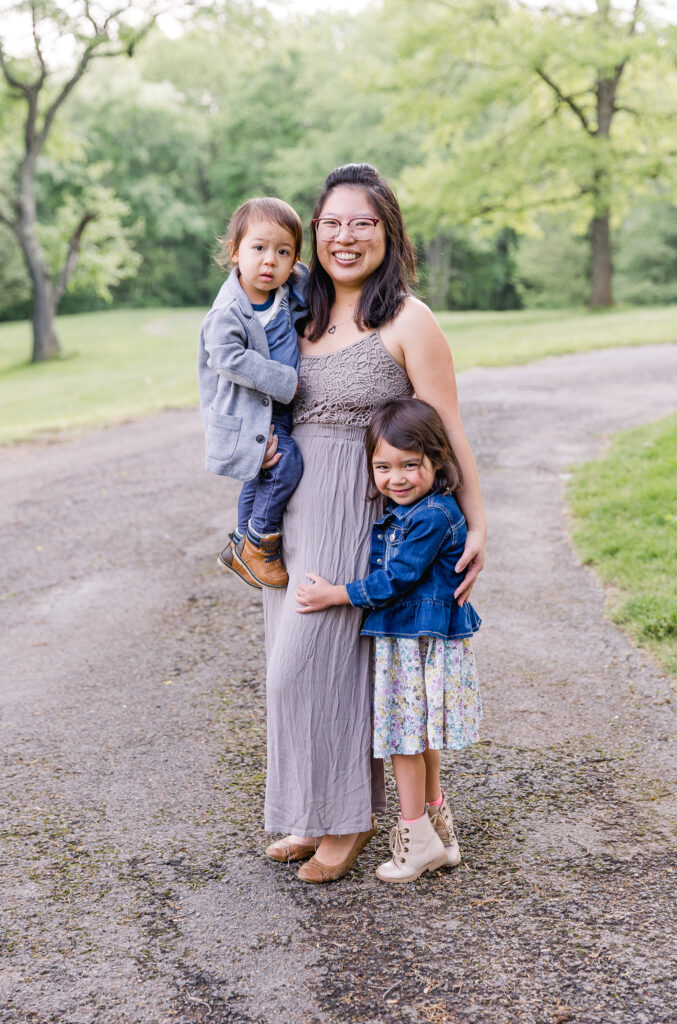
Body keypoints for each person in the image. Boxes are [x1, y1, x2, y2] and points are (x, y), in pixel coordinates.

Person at [262, 163, 486, 884]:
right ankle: (309, 811)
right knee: (292, 669)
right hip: (292, 508)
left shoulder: (407, 319)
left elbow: (447, 428)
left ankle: (349, 819)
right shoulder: (294, 311)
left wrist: (477, 524)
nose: (344, 236)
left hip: (358, 513)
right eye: (330, 223)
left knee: (306, 667)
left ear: (388, 233)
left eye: (362, 222)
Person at [296, 397, 482, 883]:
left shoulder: (430, 516)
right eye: (383, 467)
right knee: (418, 739)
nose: (395, 478)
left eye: (409, 465)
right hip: (415, 640)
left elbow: (396, 580)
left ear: (437, 461)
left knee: (403, 740)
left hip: (411, 641)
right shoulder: (424, 508)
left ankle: (416, 838)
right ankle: (439, 828)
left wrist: (335, 595)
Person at [198, 197, 308, 590]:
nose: (269, 262)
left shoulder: (293, 286)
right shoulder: (228, 310)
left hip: (275, 409)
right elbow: (226, 358)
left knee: (259, 479)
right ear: (234, 251)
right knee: (286, 462)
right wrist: (286, 381)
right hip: (250, 413)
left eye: (283, 252)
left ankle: (240, 543)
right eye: (258, 248)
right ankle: (260, 540)